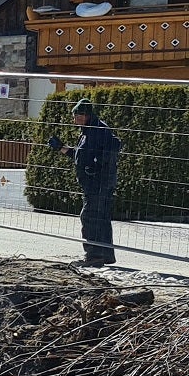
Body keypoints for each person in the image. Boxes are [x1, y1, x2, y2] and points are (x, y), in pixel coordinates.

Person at [51, 98, 122, 265]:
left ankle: (94, 255)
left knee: (89, 216)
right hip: (96, 182)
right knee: (101, 216)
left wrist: (98, 167)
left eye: (76, 115)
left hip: (98, 183)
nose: (74, 119)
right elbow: (82, 156)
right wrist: (61, 147)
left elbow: (111, 149)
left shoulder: (98, 130)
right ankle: (106, 254)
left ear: (85, 115)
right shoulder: (88, 130)